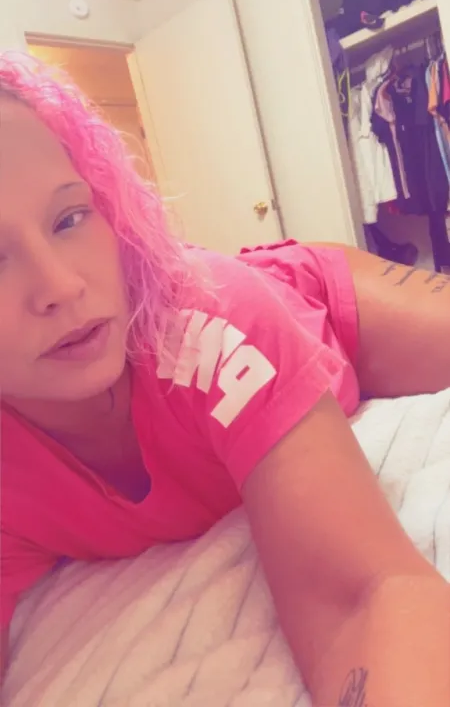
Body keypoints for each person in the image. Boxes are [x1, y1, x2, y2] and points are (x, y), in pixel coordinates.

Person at [0, 52, 449, 706]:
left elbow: (365, 599)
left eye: (70, 218)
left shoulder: (209, 322)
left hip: (318, 300)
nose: (61, 286)